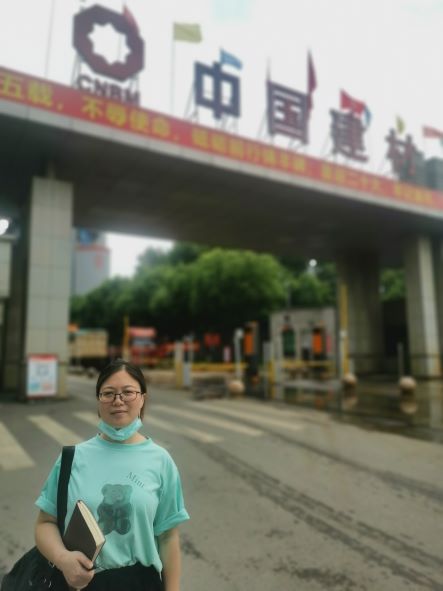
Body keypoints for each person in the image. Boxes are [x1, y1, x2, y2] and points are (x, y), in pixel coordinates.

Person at [34, 359, 190, 591]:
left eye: (128, 392)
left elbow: (168, 537)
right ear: (99, 401)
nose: (118, 400)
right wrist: (63, 559)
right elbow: (45, 523)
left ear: (142, 399)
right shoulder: (72, 458)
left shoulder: (161, 461)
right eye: (108, 393)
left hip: (141, 583)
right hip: (81, 583)